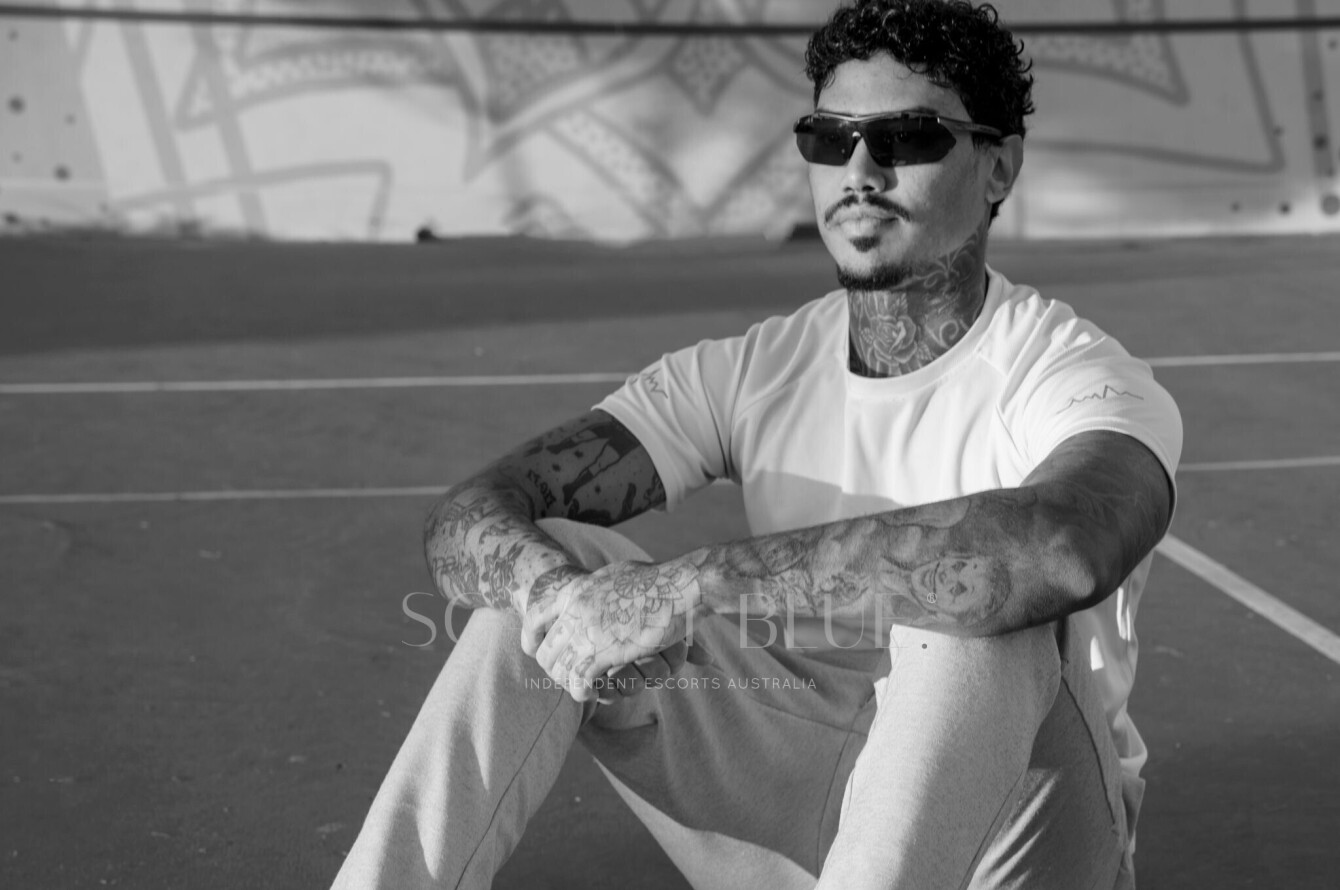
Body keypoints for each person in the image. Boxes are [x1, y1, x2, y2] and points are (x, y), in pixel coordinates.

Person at [333, 1, 1182, 887]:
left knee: (977, 608)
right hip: (800, 798)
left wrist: (686, 588)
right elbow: (469, 515)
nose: (859, 171)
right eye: (831, 139)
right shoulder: (753, 369)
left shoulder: (1072, 372)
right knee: (547, 576)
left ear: (999, 164)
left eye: (906, 138)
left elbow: (1064, 546)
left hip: (1016, 838)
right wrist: (560, 601)